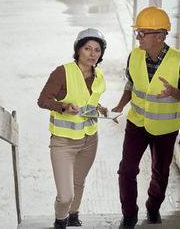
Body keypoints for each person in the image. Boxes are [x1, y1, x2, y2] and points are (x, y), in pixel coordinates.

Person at [112, 7, 180, 228]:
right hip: (137, 123)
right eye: (137, 32)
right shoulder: (135, 55)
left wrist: (174, 92)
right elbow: (131, 83)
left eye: (143, 33)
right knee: (126, 169)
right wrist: (120, 105)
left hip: (165, 128)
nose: (138, 37)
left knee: (160, 173)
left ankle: (153, 207)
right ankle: (129, 214)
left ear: (159, 36)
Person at [37, 28, 108, 229]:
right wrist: (63, 106)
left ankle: (74, 216)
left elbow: (89, 101)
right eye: (87, 48)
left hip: (90, 139)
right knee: (66, 194)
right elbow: (43, 100)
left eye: (97, 50)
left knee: (79, 181)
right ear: (78, 50)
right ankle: (61, 221)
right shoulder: (63, 72)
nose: (92, 54)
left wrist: (101, 109)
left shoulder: (99, 75)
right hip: (63, 141)